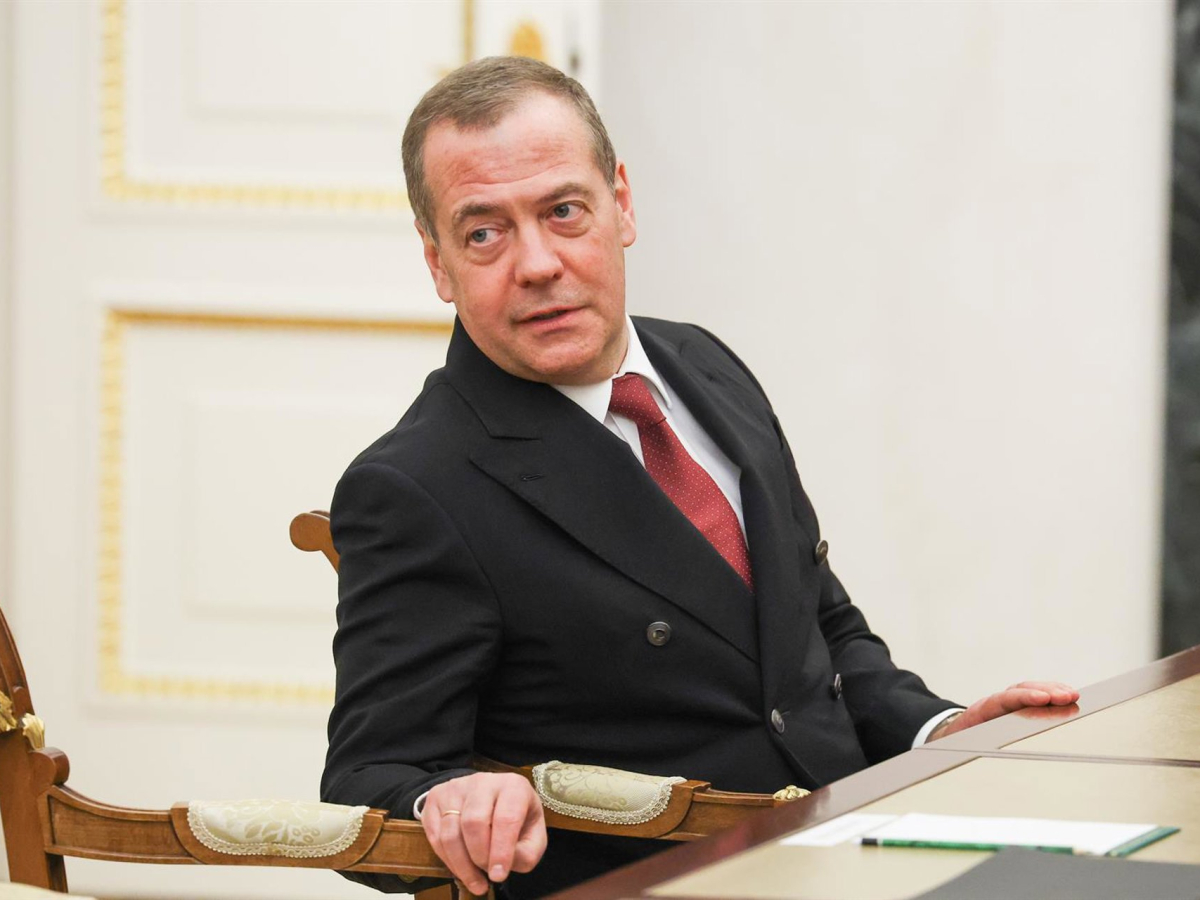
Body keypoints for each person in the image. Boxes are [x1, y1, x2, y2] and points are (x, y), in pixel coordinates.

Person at [320, 56, 1078, 899]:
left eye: (563, 211)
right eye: (484, 233)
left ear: (621, 204)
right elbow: (367, 779)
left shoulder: (704, 364)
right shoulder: (415, 485)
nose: (537, 263)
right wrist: (447, 799)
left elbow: (817, 630)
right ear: (437, 263)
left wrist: (937, 730)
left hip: (858, 850)